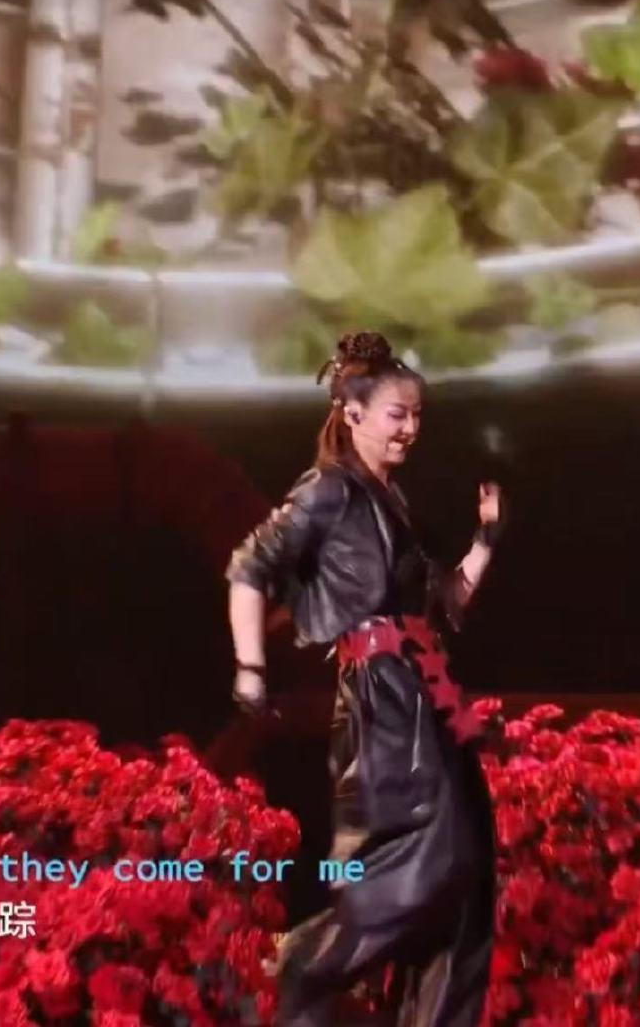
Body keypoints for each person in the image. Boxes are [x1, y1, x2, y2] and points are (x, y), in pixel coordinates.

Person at [227, 331, 504, 1027]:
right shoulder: (328, 490)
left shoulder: (392, 503)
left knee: (468, 876)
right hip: (382, 701)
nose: (410, 428)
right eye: (397, 414)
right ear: (353, 413)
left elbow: (446, 604)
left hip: (426, 691)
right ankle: (306, 964)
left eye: (417, 416)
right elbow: (250, 569)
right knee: (423, 865)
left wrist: (485, 539)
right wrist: (250, 668)